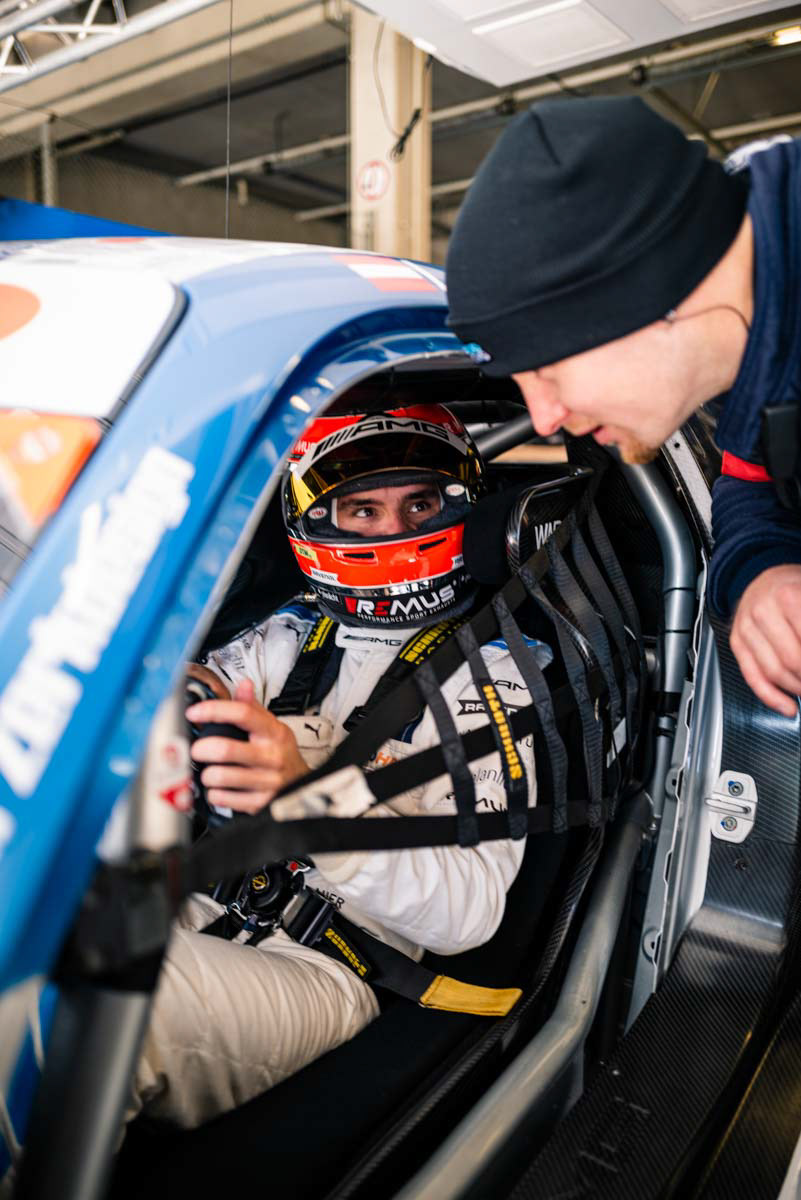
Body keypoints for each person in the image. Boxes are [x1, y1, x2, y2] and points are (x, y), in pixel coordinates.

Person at [129, 403, 549, 1129]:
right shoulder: (287, 635)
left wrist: (307, 796)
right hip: (198, 894)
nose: (395, 532)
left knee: (85, 999)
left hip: (331, 960)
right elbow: (196, 694)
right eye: (362, 510)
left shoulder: (495, 680)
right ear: (318, 523)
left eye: (419, 504)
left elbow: (468, 915)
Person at [445, 95, 801, 718]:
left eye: (545, 370)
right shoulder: (749, 351)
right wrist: (763, 570)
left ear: (646, 294)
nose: (545, 418)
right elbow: (750, 483)